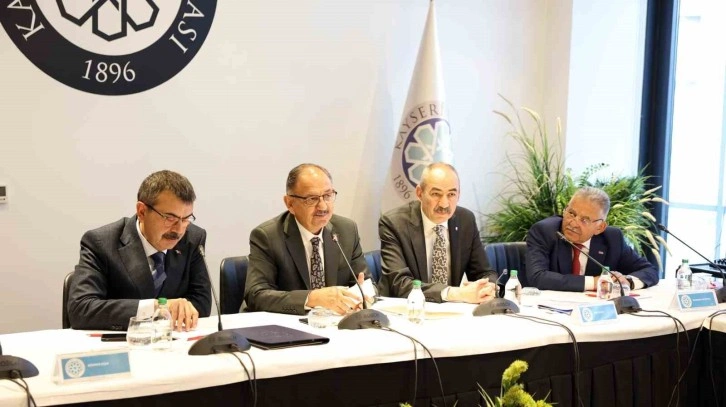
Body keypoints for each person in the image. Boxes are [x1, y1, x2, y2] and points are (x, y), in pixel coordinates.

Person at [68, 170, 211, 331]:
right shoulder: (101, 243)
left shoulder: (193, 239)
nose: (179, 230)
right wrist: (157, 308)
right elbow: (81, 309)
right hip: (123, 342)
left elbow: (201, 305)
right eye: (170, 218)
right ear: (142, 211)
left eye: (186, 219)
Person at [244, 163, 371, 315]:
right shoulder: (267, 236)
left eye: (328, 196)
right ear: (290, 203)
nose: (323, 206)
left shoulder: (347, 230)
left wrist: (361, 296)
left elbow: (367, 282)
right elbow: (256, 295)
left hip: (334, 322)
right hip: (287, 324)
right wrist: (312, 298)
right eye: (312, 199)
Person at [379, 162, 497, 303]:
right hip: (404, 308)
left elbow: (483, 272)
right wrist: (454, 293)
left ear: (459, 195)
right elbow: (399, 284)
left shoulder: (465, 220)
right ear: (419, 193)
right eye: (436, 194)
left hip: (450, 311)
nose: (444, 204)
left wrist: (489, 287)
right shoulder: (395, 223)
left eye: (451, 194)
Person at [526, 186, 660, 292]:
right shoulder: (545, 231)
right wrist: (595, 282)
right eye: (571, 213)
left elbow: (649, 271)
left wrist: (627, 282)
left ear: (600, 227)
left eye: (584, 220)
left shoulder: (612, 239)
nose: (573, 223)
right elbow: (537, 277)